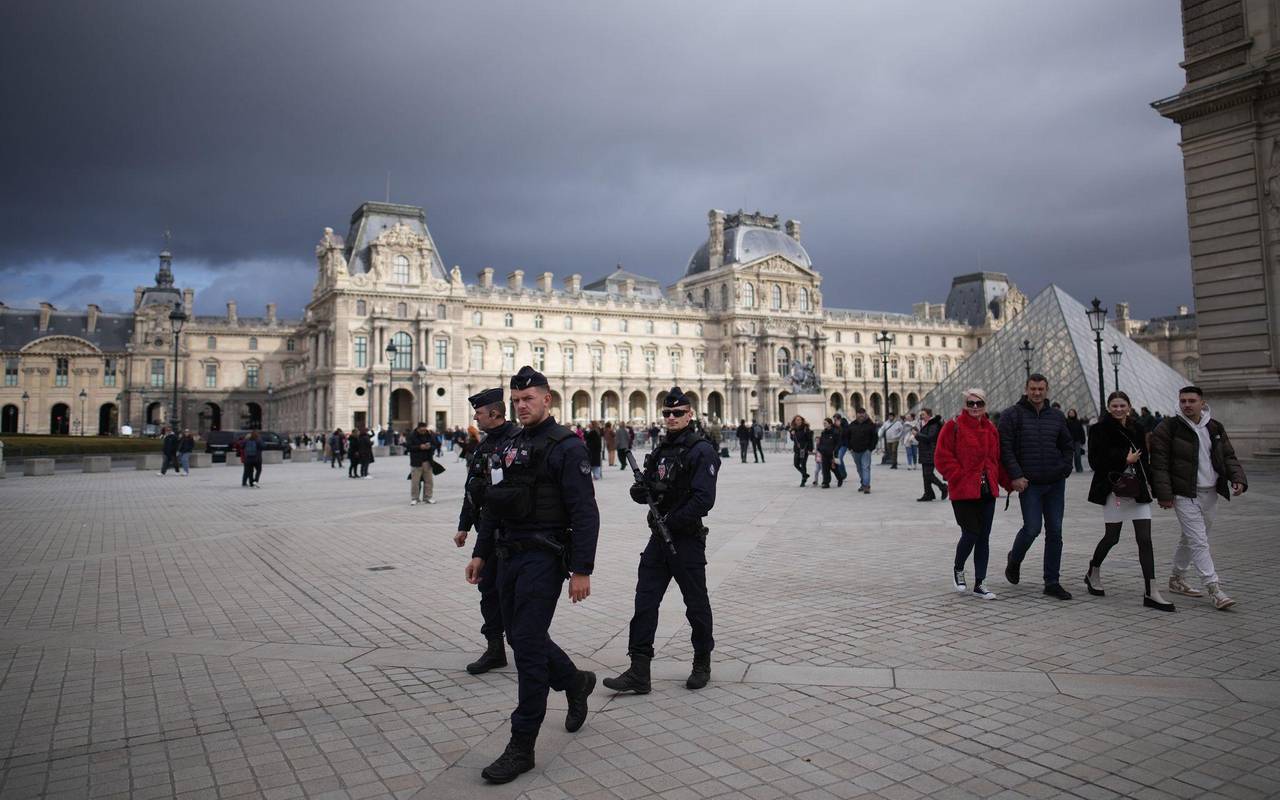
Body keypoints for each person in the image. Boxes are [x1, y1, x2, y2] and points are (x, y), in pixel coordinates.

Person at [466, 366, 599, 784]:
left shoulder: (567, 447)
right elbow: (494, 504)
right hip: (507, 555)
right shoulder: (510, 445)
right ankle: (576, 682)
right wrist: (481, 553)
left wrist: (582, 569)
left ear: (548, 400)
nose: (522, 406)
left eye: (530, 399)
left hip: (544, 557)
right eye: (517, 400)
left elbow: (585, 513)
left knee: (524, 647)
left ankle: (521, 746)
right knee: (522, 635)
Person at [606, 386, 720, 696]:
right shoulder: (659, 449)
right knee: (644, 601)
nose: (671, 417)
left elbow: (703, 500)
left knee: (695, 603)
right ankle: (639, 669)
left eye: (678, 413)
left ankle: (702, 661)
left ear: (690, 414)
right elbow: (648, 487)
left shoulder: (701, 450)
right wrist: (640, 493)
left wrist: (672, 519)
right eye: (667, 413)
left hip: (686, 539)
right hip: (659, 538)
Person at [1150, 386, 1248, 610]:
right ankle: (1214, 588)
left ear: (1202, 403)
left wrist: (1238, 478)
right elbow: (1159, 463)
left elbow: (1228, 456)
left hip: (1210, 492)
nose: (1187, 404)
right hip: (1184, 493)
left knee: (1191, 538)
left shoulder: (1214, 426)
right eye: (1183, 400)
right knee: (1199, 541)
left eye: (1191, 400)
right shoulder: (1168, 427)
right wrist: (1164, 495)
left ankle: (1176, 578)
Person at [1084, 391, 1174, 611]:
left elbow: (1146, 461)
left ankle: (1151, 591)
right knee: (1112, 537)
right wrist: (1123, 459)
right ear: (1108, 407)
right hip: (1114, 489)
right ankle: (1093, 570)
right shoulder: (1098, 429)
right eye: (1114, 405)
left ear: (1129, 406)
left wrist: (1158, 488)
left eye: (1122, 405)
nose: (1118, 409)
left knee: (1145, 539)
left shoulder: (1138, 428)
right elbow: (1095, 461)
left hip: (1137, 490)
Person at [456, 388, 519, 676]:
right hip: (487, 532)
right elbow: (472, 488)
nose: (475, 418)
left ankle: (525, 646)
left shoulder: (516, 441)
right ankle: (495, 649)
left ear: (494, 413)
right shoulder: (483, 445)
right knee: (487, 591)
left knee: (512, 594)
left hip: (512, 532)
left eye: (479, 413)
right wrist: (463, 526)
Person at [1000, 374, 1076, 600]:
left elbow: (1067, 445)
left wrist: (1065, 468)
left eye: (1041, 389)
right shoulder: (1011, 415)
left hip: (1055, 482)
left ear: (1047, 389)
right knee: (1032, 528)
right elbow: (1005, 448)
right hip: (1029, 483)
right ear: (1026, 389)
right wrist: (1016, 476)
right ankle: (1014, 559)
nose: (1036, 392)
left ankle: (1052, 581)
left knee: (1055, 532)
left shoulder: (1056, 416)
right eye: (1033, 388)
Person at [934, 388, 1004, 600]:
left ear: (985, 405)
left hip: (987, 490)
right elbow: (941, 456)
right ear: (965, 404)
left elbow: (996, 459)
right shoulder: (952, 426)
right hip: (964, 490)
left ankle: (981, 583)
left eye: (979, 403)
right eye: (971, 403)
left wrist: (1008, 482)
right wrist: (958, 475)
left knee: (984, 537)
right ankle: (958, 568)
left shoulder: (991, 428)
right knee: (971, 532)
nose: (975, 407)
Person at [915, 408, 948, 501]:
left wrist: (917, 435)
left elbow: (930, 438)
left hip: (931, 452)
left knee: (928, 474)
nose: (921, 416)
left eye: (923, 414)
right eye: (921, 414)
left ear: (929, 415)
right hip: (925, 451)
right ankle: (928, 493)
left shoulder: (933, 424)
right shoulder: (927, 424)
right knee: (925, 475)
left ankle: (943, 487)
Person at [845, 408, 878, 494]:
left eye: (862, 414)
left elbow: (875, 437)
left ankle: (866, 486)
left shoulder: (871, 425)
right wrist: (850, 447)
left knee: (865, 467)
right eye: (859, 414)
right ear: (856, 415)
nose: (860, 416)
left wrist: (870, 448)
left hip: (866, 450)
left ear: (865, 415)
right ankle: (863, 483)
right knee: (859, 468)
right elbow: (847, 436)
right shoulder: (852, 425)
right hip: (855, 450)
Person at [407, 421, 438, 505]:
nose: (423, 431)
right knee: (415, 482)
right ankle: (415, 498)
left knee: (429, 481)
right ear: (418, 429)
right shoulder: (412, 435)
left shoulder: (429, 434)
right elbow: (408, 447)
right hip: (416, 462)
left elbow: (435, 444)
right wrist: (419, 447)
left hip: (427, 461)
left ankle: (428, 497)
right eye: (422, 430)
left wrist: (430, 446)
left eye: (424, 430)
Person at [789, 415, 813, 487]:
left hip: (804, 449)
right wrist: (791, 434)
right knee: (796, 464)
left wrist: (810, 449)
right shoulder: (794, 429)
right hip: (797, 449)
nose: (798, 421)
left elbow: (810, 440)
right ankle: (805, 475)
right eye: (797, 420)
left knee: (803, 464)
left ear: (802, 420)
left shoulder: (806, 428)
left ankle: (803, 480)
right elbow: (792, 439)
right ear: (795, 421)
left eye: (799, 420)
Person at [816, 418, 840, 488]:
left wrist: (835, 450)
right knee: (825, 468)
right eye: (823, 423)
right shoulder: (823, 432)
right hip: (824, 453)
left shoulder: (835, 432)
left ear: (830, 424)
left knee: (834, 468)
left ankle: (840, 478)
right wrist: (819, 448)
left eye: (825, 423)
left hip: (832, 453)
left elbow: (838, 443)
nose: (824, 425)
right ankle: (826, 483)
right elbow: (821, 442)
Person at [1066, 409, 1087, 473]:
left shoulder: (1078, 422)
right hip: (1069, 440)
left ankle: (1079, 468)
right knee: (1069, 455)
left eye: (1072, 412)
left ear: (1075, 413)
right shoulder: (1066, 422)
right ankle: (1068, 468)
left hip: (1077, 440)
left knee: (1077, 455)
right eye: (1070, 413)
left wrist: (1083, 440)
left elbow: (1082, 431)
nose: (1071, 414)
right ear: (1068, 414)